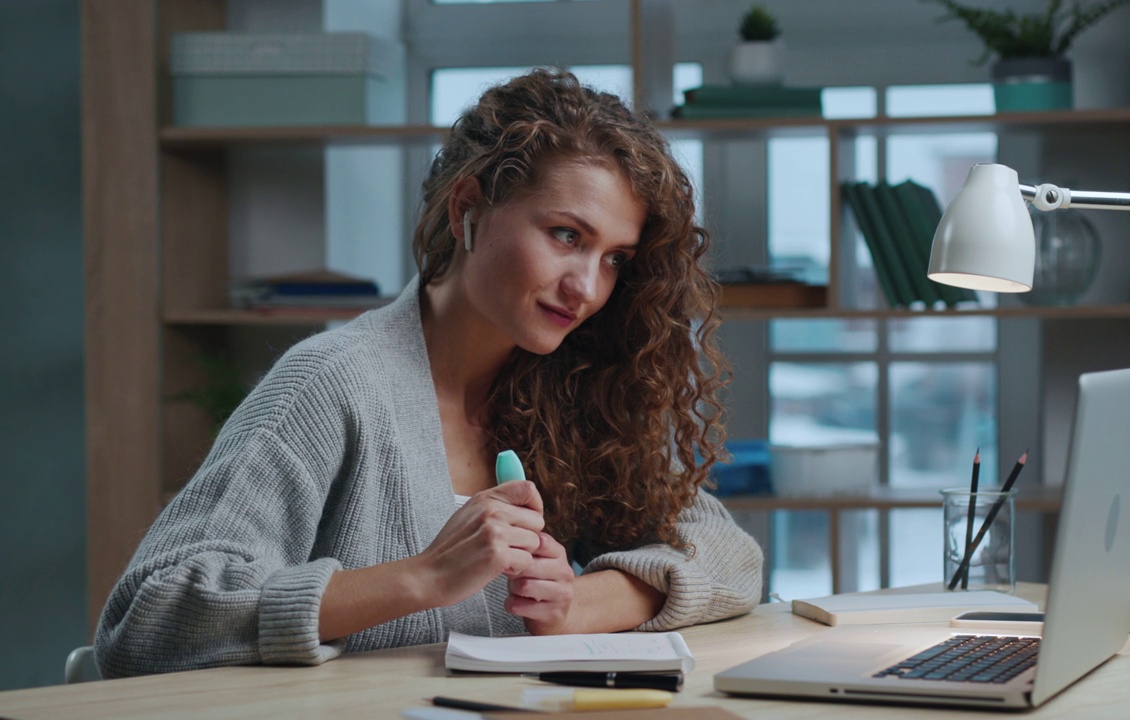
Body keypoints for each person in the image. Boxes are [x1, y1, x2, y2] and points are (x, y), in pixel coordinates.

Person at [94, 69, 763, 678]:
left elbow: (731, 556)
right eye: (565, 235)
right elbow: (146, 618)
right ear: (466, 207)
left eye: (615, 258)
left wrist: (578, 604)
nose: (586, 287)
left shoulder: (577, 388)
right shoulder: (332, 385)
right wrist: (422, 578)